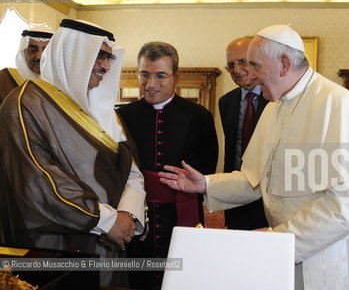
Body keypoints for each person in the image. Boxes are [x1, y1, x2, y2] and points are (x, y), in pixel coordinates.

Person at [158, 24, 349, 289]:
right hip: (288, 247)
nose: (249, 75)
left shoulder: (338, 103)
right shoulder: (274, 107)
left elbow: (346, 205)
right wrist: (206, 184)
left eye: (255, 65)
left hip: (336, 253)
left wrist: (279, 238)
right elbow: (256, 179)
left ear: (283, 63)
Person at [0, 19, 146, 287]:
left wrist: (129, 216)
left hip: (112, 244)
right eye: (99, 55)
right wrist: (108, 220)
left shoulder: (104, 110)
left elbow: (132, 169)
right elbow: (38, 181)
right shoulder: (26, 104)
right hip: (57, 248)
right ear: (72, 53)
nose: (106, 65)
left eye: (109, 57)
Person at [117, 41, 218, 289]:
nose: (151, 84)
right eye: (144, 75)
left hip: (181, 212)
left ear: (176, 76)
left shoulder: (199, 116)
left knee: (181, 275)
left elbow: (208, 166)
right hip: (136, 213)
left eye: (160, 76)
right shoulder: (123, 116)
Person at [219, 37, 268, 230]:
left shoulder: (275, 98)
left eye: (242, 61)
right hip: (236, 197)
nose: (236, 70)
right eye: (230, 65)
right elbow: (231, 153)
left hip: (268, 197)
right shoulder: (226, 102)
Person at [0, 26, 54, 104]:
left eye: (46, 51)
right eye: (33, 50)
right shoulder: (6, 78)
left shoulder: (60, 86)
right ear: (24, 53)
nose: (39, 56)